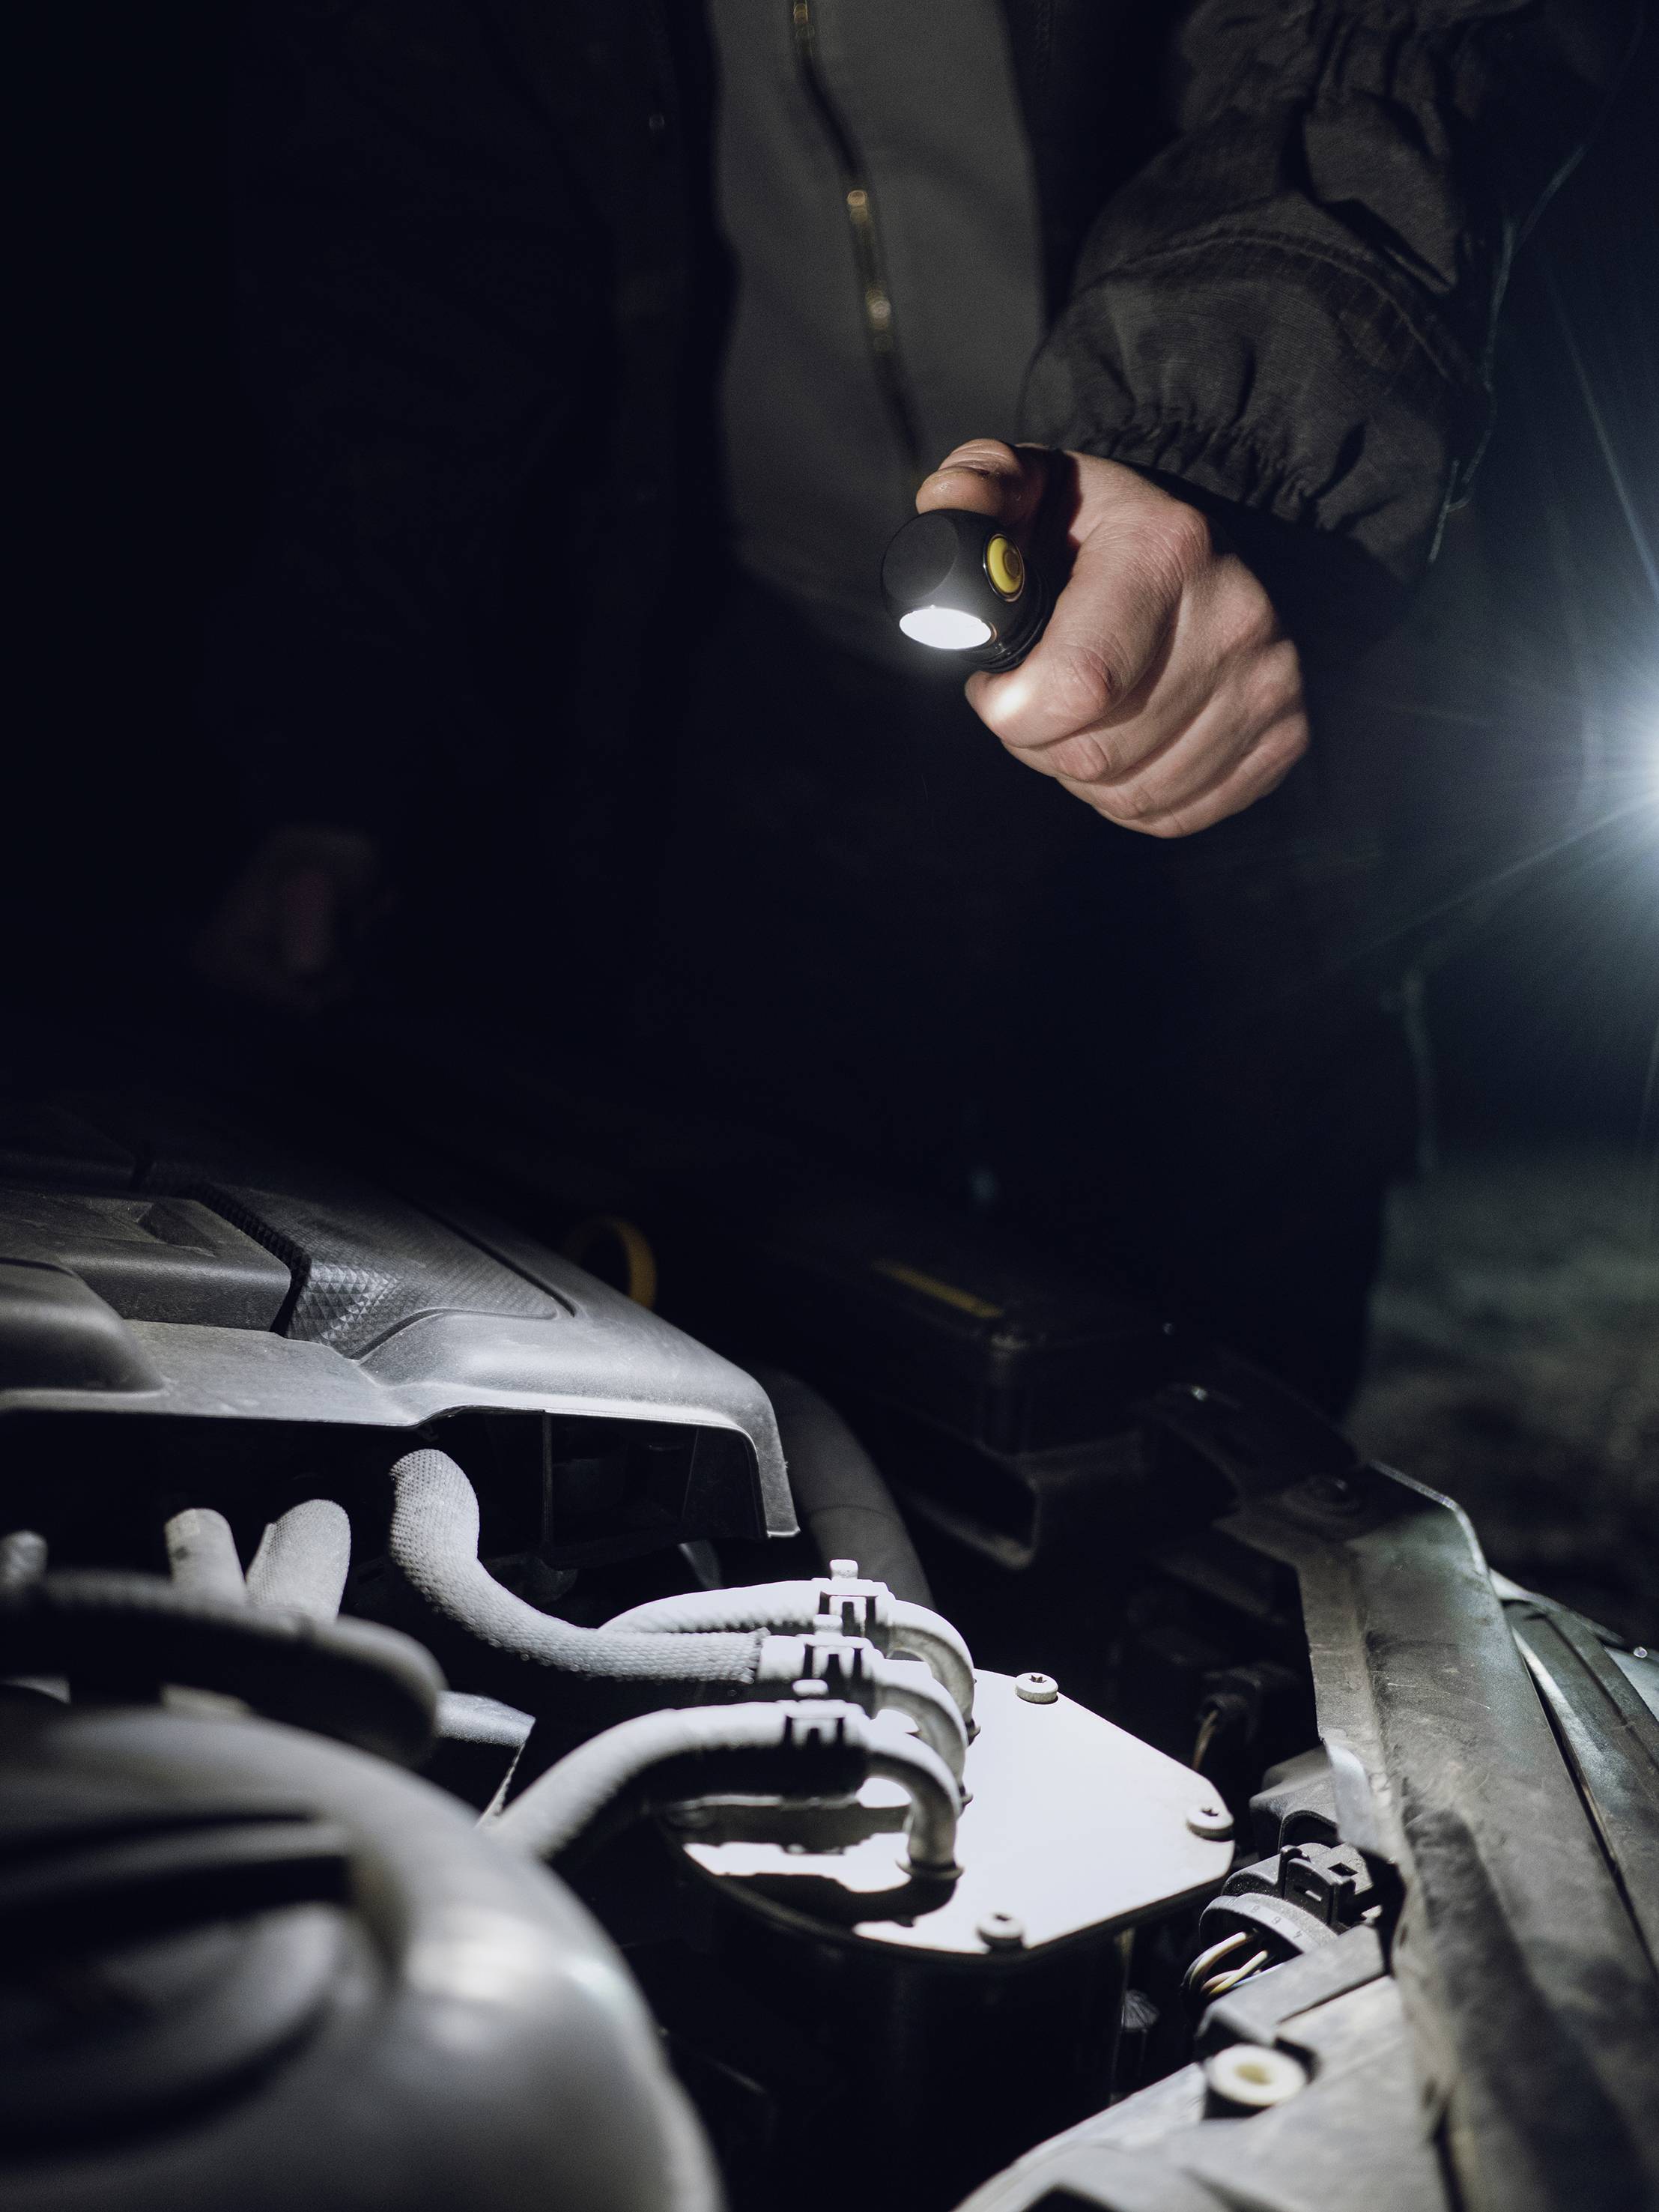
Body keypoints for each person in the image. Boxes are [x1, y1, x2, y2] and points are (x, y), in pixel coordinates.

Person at [196, 0, 1637, 1409]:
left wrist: (1217, 442)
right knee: (784, 1340)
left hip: (1225, 638)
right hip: (746, 698)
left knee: (1216, 1371)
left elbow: (1381, 39)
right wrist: (340, 756)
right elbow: (413, 262)